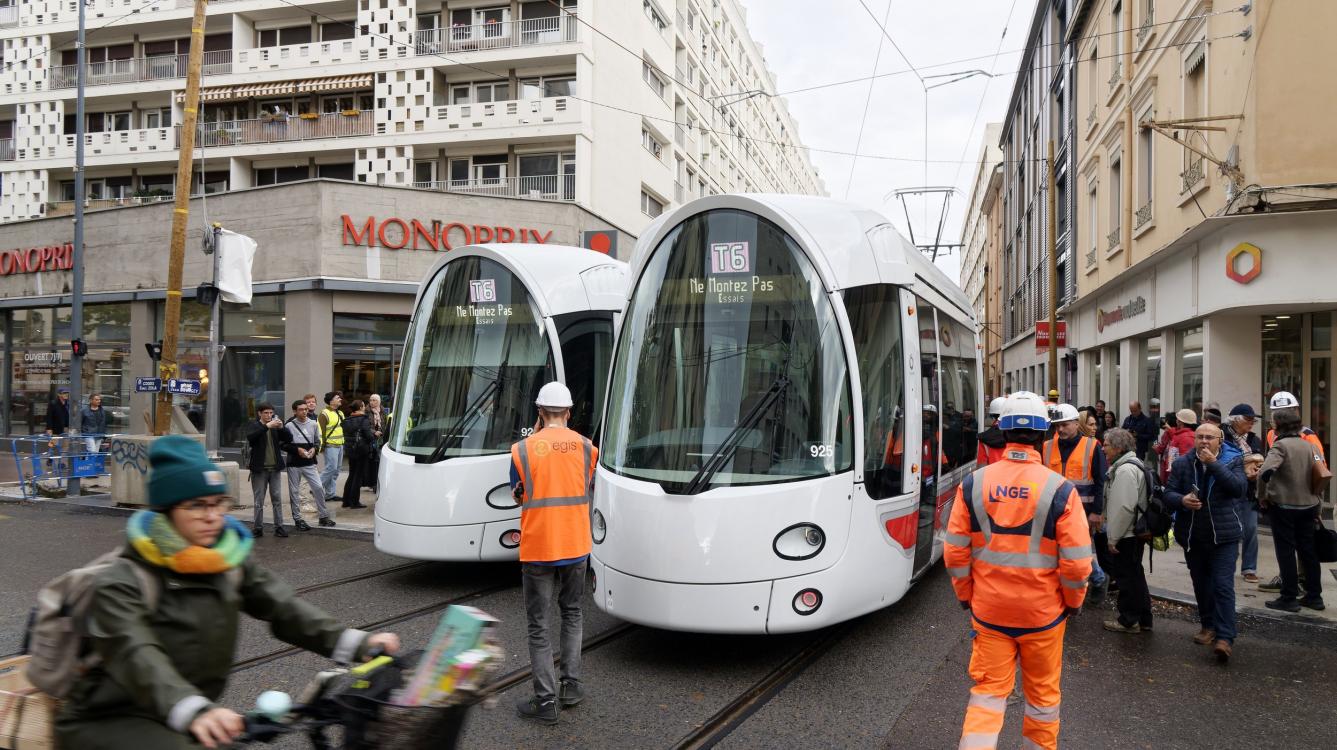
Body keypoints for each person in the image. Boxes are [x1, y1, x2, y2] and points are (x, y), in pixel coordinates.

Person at [53, 435, 400, 749]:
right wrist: (193, 710)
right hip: (111, 719)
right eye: (195, 505)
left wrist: (356, 643)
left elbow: (283, 607)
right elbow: (136, 654)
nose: (211, 516)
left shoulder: (226, 562)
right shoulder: (123, 579)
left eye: (218, 502)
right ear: (166, 511)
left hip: (181, 711)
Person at [945, 391, 1092, 750]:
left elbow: (955, 552)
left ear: (1003, 430)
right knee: (1042, 699)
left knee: (988, 695)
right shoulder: (1060, 489)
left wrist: (967, 597)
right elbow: (1077, 564)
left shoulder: (974, 484)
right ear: (1045, 434)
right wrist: (1072, 603)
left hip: (990, 612)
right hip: (1043, 615)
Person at [509, 382, 597, 725]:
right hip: (576, 544)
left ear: (540, 412)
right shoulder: (587, 448)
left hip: (539, 546)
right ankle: (571, 686)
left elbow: (518, 494)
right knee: (572, 612)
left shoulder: (522, 450)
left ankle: (545, 701)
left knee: (539, 624)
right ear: (569, 413)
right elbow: (582, 484)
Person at [1163, 423, 1247, 663]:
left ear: (1220, 440)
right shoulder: (1183, 463)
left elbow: (1238, 489)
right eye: (1200, 437)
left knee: (1222, 585)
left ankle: (1225, 637)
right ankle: (1208, 625)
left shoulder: (1233, 460)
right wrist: (1182, 500)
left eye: (1210, 437)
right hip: (1193, 535)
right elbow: (1168, 494)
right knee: (1201, 584)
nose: (1204, 441)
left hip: (1224, 536)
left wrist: (1214, 464)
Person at [1258, 408, 1326, 612]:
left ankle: (1289, 597)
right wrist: (1319, 505)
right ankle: (1314, 596)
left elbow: (1264, 472)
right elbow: (1321, 474)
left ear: (1278, 425)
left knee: (1286, 551)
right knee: (1308, 551)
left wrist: (1262, 496)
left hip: (1284, 506)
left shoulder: (1280, 446)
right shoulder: (1310, 446)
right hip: (1309, 506)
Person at [1043, 404, 1108, 605]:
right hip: (1052, 510)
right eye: (1057, 426)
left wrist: (1096, 512)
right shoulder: (1047, 447)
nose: (1060, 429)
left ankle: (1098, 579)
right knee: (1058, 549)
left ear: (1076, 424)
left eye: (1065, 425)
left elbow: (1101, 482)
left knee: (1077, 550)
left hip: (1082, 511)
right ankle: (1067, 587)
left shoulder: (1092, 446)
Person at [1099, 428, 1153, 634]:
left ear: (1118, 447)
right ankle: (1144, 619)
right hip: (1133, 532)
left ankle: (1129, 621)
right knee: (1136, 575)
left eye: (1106, 444)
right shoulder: (1132, 465)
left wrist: (1113, 538)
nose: (1103, 448)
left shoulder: (1124, 470)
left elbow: (1123, 508)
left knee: (1127, 578)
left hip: (1127, 534)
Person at [1223, 404, 1265, 584]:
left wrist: (1256, 472)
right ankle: (1226, 566)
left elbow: (1261, 460)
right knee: (1228, 530)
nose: (1251, 423)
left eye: (1253, 420)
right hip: (1227, 490)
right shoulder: (1222, 436)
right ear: (1235, 420)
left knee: (1251, 528)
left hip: (1249, 491)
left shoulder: (1254, 439)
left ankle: (1249, 568)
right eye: (1248, 420)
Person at [284, 400, 334, 528]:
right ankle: (298, 519)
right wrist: (297, 450)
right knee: (294, 492)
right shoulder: (289, 426)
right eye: (301, 409)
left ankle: (323, 517)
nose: (304, 411)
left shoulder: (313, 424)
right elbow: (283, 444)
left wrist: (314, 449)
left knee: (318, 487)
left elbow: (318, 441)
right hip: (294, 463)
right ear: (295, 411)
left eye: (306, 409)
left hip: (309, 462)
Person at [245, 403, 291, 538]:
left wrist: (282, 428)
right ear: (259, 413)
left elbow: (289, 439)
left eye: (271, 413)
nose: (269, 415)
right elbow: (251, 438)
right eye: (266, 413)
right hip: (259, 469)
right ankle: (258, 528)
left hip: (275, 468)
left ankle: (279, 527)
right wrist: (266, 426)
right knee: (259, 500)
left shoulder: (275, 426)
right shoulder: (255, 425)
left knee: (277, 499)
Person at [1263, 391, 1325, 458]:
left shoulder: (1307, 435)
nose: (1281, 417)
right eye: (1277, 413)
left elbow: (1319, 461)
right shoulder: (1271, 434)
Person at [339, 400, 375, 509]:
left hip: (350, 450)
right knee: (358, 476)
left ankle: (346, 501)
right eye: (363, 405)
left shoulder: (347, 420)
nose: (365, 407)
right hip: (361, 450)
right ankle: (354, 502)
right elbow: (368, 436)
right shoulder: (363, 419)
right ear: (360, 407)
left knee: (352, 474)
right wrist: (375, 435)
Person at [1156, 409, 1198, 483]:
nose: (1176, 421)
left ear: (1180, 422)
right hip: (1175, 475)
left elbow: (1185, 461)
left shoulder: (1186, 437)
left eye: (1177, 419)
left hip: (1179, 477)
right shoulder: (1181, 435)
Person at [318, 391, 345, 503]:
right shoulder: (324, 413)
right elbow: (321, 431)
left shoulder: (340, 413)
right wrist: (321, 446)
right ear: (331, 401)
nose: (340, 399)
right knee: (331, 468)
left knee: (336, 471)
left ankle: (330, 494)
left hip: (340, 445)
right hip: (330, 445)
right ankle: (316, 486)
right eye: (337, 398)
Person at [975, 396, 1008, 466]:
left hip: (992, 472)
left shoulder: (984, 438)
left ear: (992, 416)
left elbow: (981, 466)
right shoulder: (1018, 435)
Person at [367, 394, 386, 493]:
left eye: (374, 400)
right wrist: (374, 432)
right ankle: (373, 484)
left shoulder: (382, 411)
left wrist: (382, 432)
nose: (372, 402)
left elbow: (384, 424)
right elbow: (365, 426)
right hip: (371, 439)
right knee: (373, 462)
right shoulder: (367, 411)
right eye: (370, 400)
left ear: (379, 402)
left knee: (378, 461)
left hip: (380, 439)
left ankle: (376, 483)